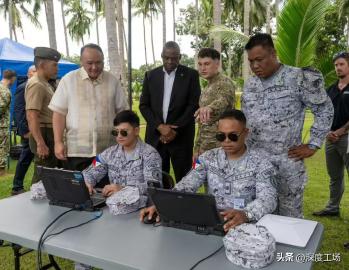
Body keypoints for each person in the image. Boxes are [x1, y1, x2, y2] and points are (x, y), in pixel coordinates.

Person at [241, 33, 334, 218]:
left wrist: (313, 144)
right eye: (251, 61)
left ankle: (288, 249)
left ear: (273, 54)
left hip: (287, 164)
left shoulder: (297, 77)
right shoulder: (250, 84)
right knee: (258, 216)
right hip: (256, 164)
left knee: (289, 220)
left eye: (259, 59)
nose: (255, 66)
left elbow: (324, 109)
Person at [140, 109, 277, 232]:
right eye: (221, 136)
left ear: (246, 133)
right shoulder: (206, 158)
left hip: (247, 227)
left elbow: (268, 199)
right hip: (212, 225)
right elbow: (188, 183)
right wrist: (165, 205)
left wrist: (246, 214)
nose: (227, 141)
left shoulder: (262, 164)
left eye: (233, 136)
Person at [49, 43, 128, 174]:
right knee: (78, 187)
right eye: (89, 63)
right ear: (81, 61)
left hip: (106, 152)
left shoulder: (112, 81)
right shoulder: (68, 80)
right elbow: (59, 114)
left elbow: (122, 112)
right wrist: (58, 142)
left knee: (103, 187)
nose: (94, 67)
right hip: (78, 153)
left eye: (99, 63)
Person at [139, 41, 201, 182]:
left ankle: (182, 203)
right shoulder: (150, 75)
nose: (170, 61)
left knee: (184, 178)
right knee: (156, 178)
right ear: (162, 56)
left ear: (180, 57)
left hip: (181, 136)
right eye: (167, 57)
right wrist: (160, 127)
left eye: (174, 58)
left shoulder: (191, 75)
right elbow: (144, 105)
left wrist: (173, 130)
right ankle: (159, 204)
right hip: (156, 136)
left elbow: (193, 105)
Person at [83, 110, 162, 197]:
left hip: (142, 207)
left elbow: (154, 187)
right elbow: (89, 171)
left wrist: (123, 189)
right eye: (116, 132)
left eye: (124, 132)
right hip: (113, 204)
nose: (119, 136)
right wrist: (87, 182)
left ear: (136, 131)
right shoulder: (108, 153)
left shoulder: (150, 155)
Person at [313, 52, 349, 217]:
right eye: (336, 65)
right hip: (331, 139)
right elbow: (323, 113)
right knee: (334, 175)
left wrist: (342, 131)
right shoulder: (331, 89)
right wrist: (327, 131)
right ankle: (333, 208)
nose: (338, 68)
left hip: (347, 138)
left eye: (341, 64)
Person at [25, 47, 61, 184]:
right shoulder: (37, 84)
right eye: (54, 65)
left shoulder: (44, 83)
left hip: (48, 131)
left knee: (50, 173)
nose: (57, 68)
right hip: (43, 132)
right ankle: (34, 200)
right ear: (42, 65)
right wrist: (40, 143)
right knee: (43, 175)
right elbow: (31, 115)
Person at [193, 48, 235, 160]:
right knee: (198, 175)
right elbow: (203, 124)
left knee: (216, 177)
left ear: (217, 64)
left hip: (219, 148)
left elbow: (223, 100)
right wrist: (197, 148)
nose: (202, 68)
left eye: (207, 64)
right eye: (200, 64)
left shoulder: (224, 82)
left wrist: (210, 108)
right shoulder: (208, 86)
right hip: (203, 148)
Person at [11, 66, 36, 195]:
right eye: (34, 71)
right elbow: (18, 111)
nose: (36, 73)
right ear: (28, 74)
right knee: (25, 157)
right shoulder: (24, 87)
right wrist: (25, 131)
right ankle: (17, 187)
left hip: (37, 130)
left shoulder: (36, 86)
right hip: (28, 131)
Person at [0, 69, 17, 175]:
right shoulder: (5, 91)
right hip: (2, 126)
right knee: (2, 148)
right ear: (13, 78)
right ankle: (1, 171)